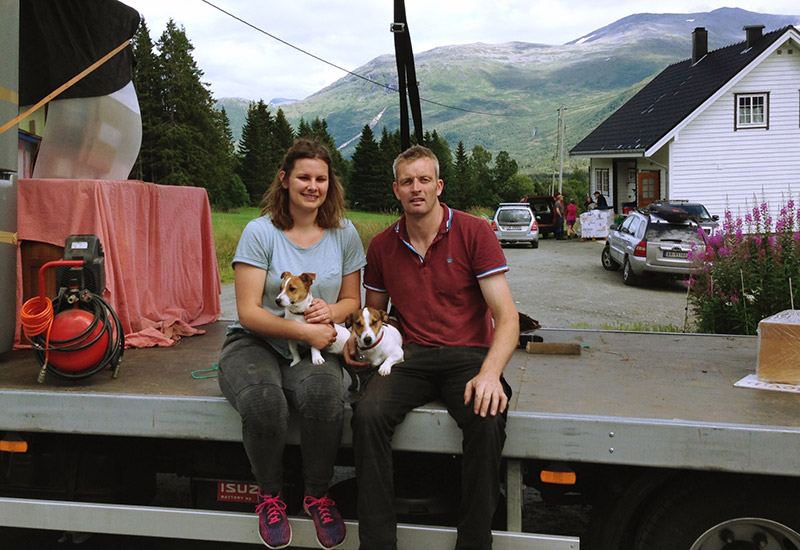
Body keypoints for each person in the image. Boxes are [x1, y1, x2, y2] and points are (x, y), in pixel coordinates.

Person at [346, 145, 519, 550]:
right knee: (367, 416)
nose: (416, 188)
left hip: (469, 356)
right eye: (407, 181)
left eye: (424, 180)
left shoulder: (474, 232)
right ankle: (377, 543)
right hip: (411, 355)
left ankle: (474, 542)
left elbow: (507, 317)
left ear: (438, 185)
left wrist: (491, 374)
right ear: (396, 190)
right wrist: (358, 343)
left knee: (488, 417)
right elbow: (373, 315)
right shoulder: (382, 246)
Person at [217, 139, 365, 550]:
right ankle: (270, 496)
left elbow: (353, 301)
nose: (312, 185)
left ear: (329, 183)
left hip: (314, 341)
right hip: (256, 342)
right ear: (285, 180)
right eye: (303, 176)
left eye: (321, 178)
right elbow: (248, 311)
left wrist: (329, 314)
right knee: (264, 402)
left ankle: (317, 493)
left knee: (323, 396)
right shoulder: (259, 231)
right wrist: (305, 332)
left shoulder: (344, 233)